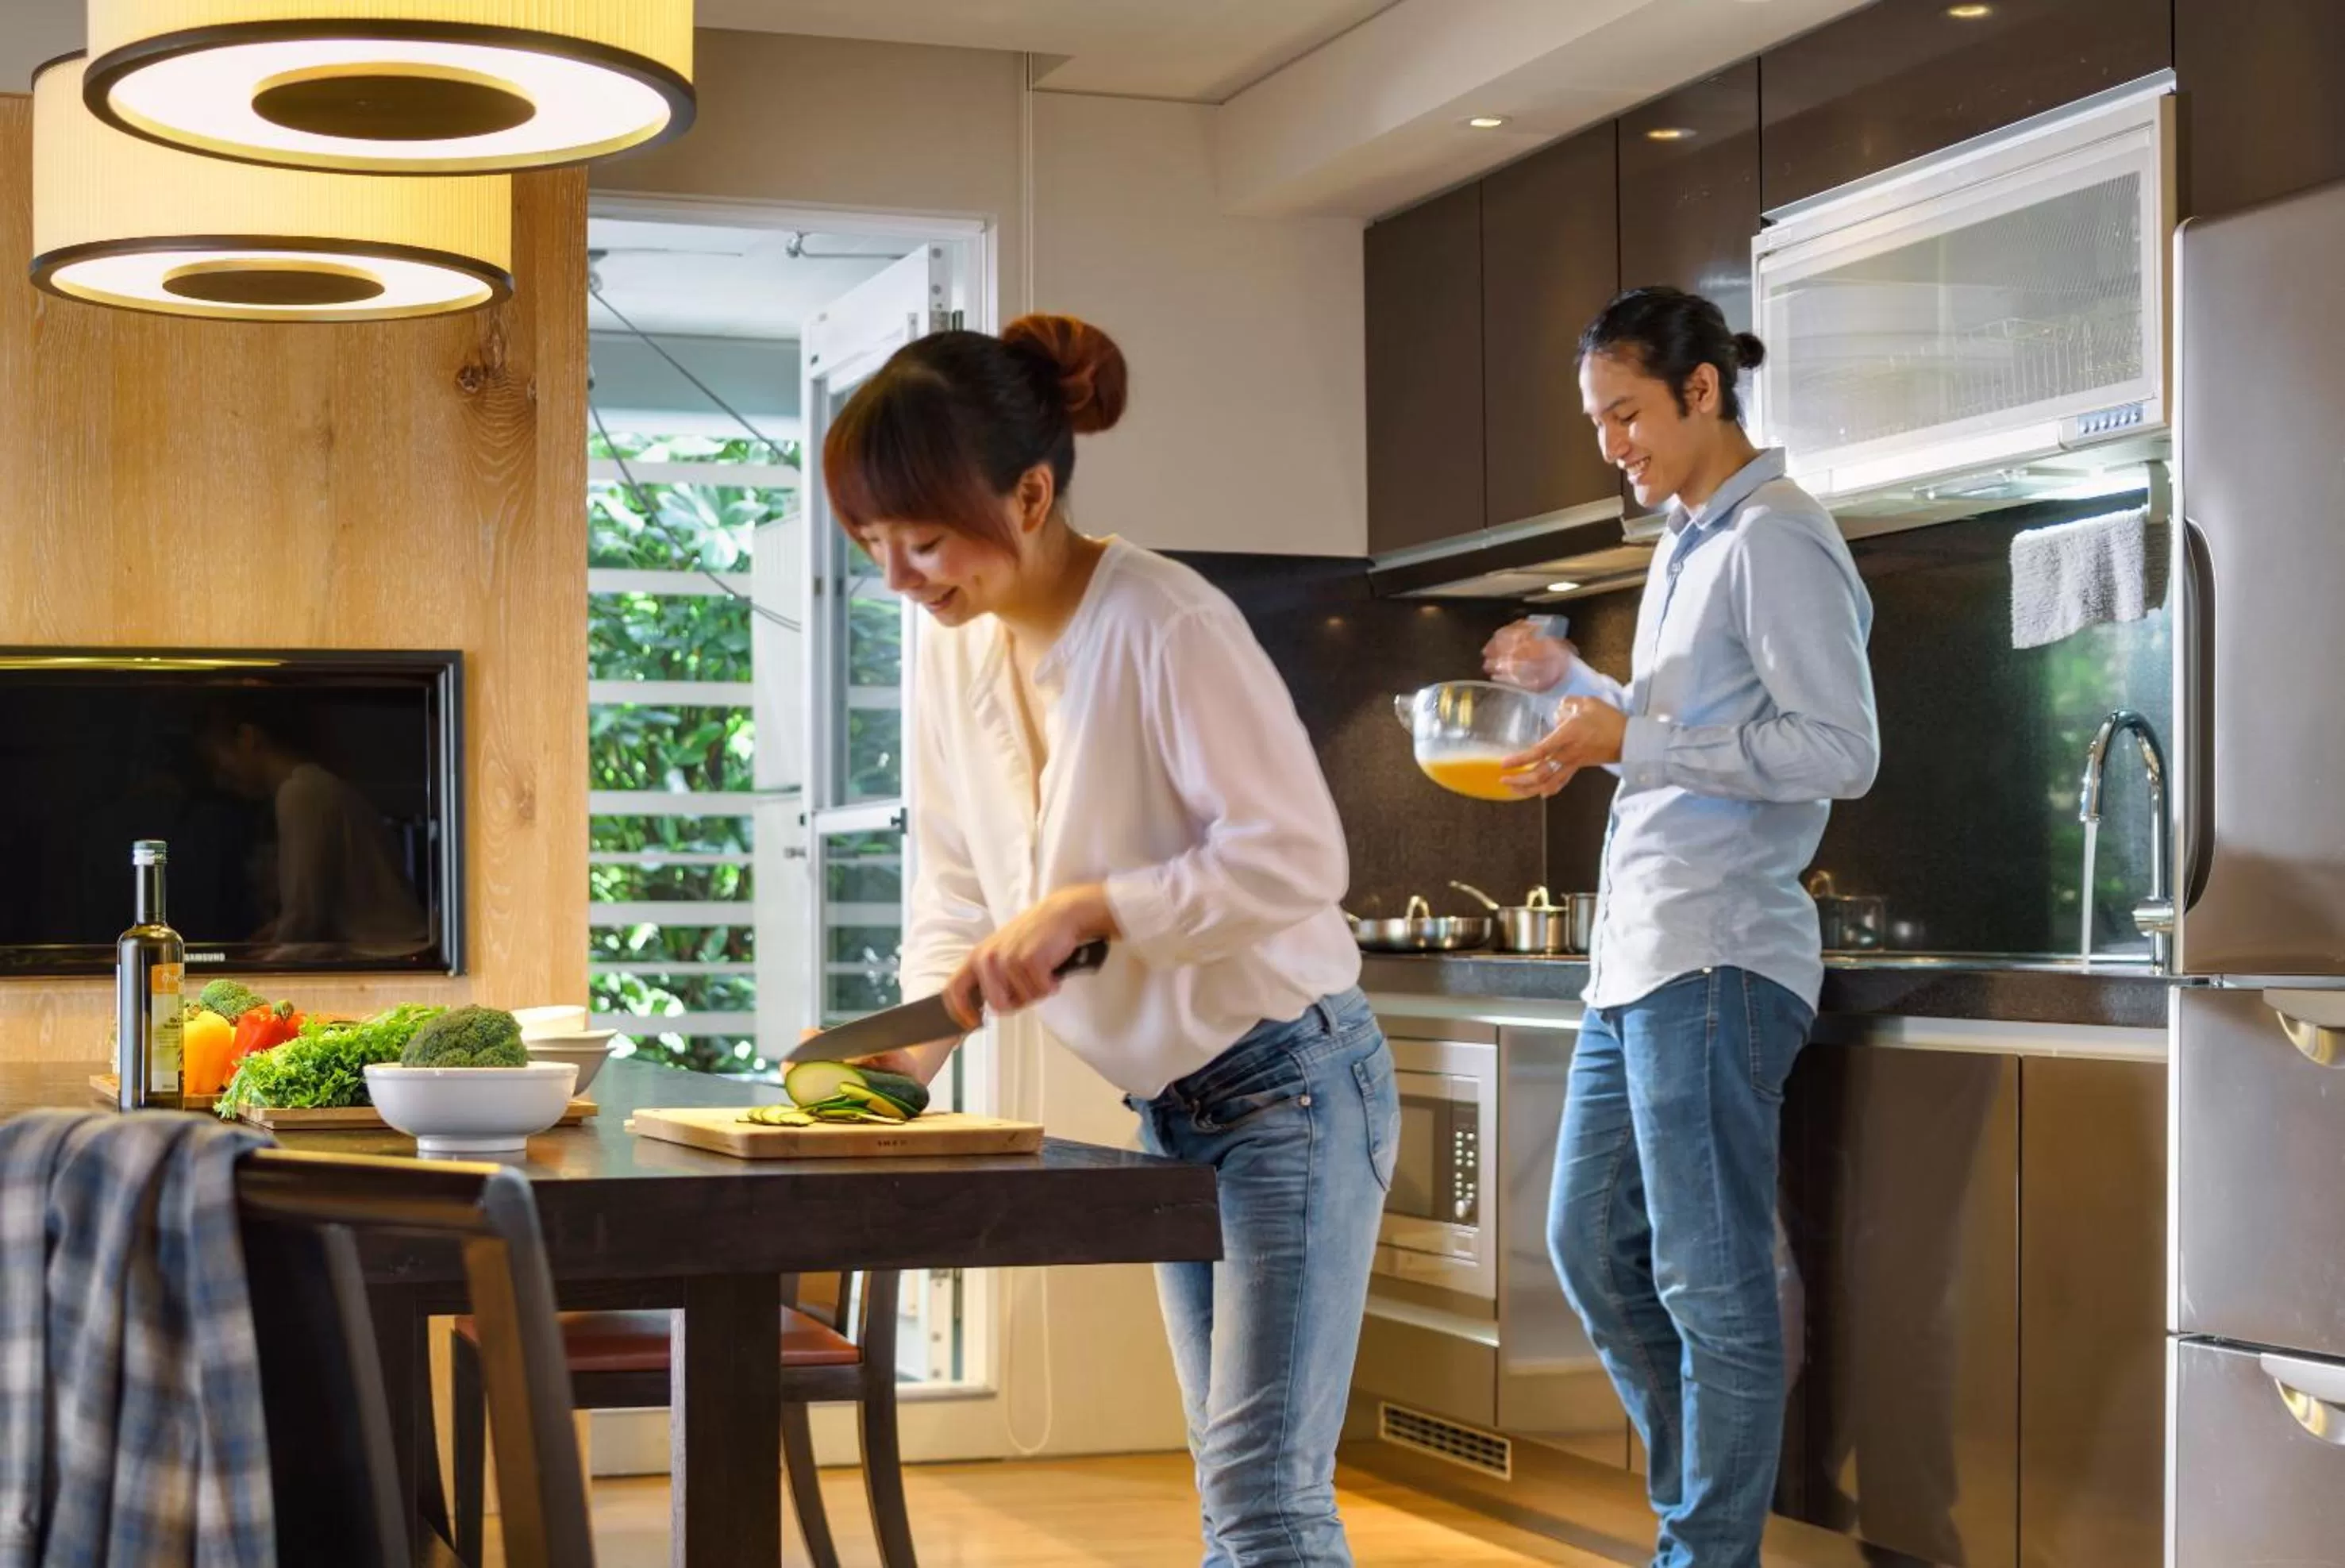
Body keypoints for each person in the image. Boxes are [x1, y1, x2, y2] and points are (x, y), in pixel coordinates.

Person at [822, 313, 1397, 1568]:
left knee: (1263, 1498)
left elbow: (1299, 857)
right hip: (1175, 1105)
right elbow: (953, 885)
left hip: (1292, 1082)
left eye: (922, 539)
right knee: (1236, 1489)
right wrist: (906, 1056)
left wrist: (1094, 906)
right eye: (871, 543)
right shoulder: (951, 644)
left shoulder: (1163, 621)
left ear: (1030, 495)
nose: (898, 575)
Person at [1485, 286, 1879, 1566]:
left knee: (1709, 1283)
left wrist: (1632, 735)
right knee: (1592, 1250)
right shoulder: (1684, 541)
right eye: (1596, 421)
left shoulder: (1775, 536)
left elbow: (1840, 749)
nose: (1610, 445)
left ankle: (1702, 1551)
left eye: (1625, 414)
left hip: (1716, 956)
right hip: (1639, 962)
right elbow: (1671, 733)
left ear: (1700, 390)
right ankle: (1699, 1533)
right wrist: (1578, 693)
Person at [197, 702, 430, 961]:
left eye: (216, 761)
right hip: (394, 952)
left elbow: (304, 915)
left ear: (247, 738)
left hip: (388, 956)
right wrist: (279, 931)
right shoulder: (317, 785)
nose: (219, 779)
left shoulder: (301, 792)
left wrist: (267, 950)